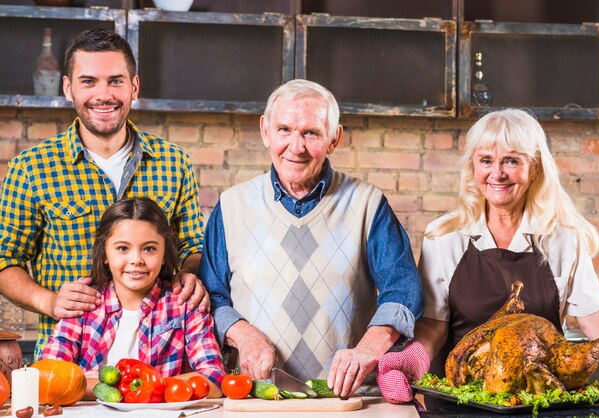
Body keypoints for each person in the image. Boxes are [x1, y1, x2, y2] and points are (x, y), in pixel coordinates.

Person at [377, 108, 599, 403]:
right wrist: (412, 362)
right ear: (473, 167)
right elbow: (433, 324)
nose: (498, 173)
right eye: (486, 161)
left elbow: (594, 316)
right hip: (461, 401)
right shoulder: (444, 236)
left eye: (511, 160)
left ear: (534, 168)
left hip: (540, 397)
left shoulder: (562, 237)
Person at [199, 79, 424, 397]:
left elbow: (404, 293)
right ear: (265, 131)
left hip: (348, 399)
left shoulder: (367, 203)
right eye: (285, 130)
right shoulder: (231, 206)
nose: (296, 146)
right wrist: (243, 335)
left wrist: (366, 352)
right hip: (254, 396)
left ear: (335, 138)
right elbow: (212, 297)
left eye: (311, 133)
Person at [0, 28, 208, 358]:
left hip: (163, 359)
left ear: (134, 86)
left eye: (115, 80)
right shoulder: (31, 168)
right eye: (88, 81)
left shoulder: (174, 162)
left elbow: (192, 247)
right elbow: (4, 259)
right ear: (68, 88)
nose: (103, 94)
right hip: (67, 358)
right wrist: (49, 301)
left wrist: (189, 274)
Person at [42, 198, 226, 396]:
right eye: (122, 248)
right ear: (104, 253)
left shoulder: (184, 304)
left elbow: (213, 378)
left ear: (164, 254)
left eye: (149, 248)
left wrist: (144, 389)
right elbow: (48, 375)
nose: (136, 260)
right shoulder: (83, 304)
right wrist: (132, 390)